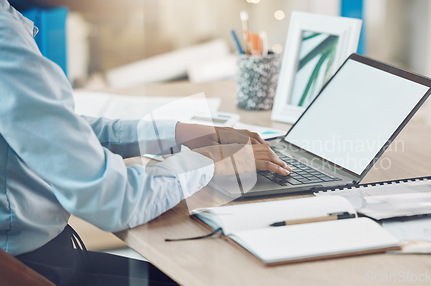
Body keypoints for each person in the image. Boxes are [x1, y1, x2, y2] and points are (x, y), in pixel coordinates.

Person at [0, 1, 291, 284]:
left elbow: (57, 129)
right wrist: (212, 163)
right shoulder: (6, 44)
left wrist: (180, 133)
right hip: (28, 270)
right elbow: (114, 199)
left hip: (40, 256)